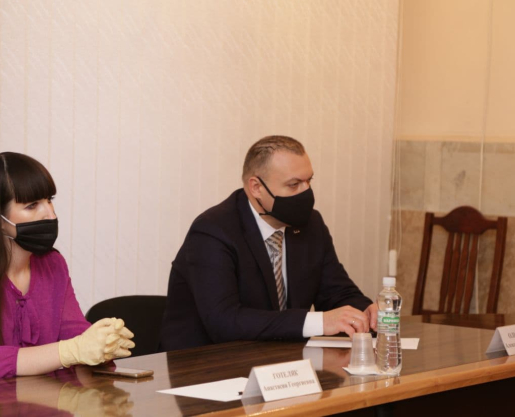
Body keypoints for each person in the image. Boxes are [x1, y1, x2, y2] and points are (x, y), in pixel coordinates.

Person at [0, 152, 134, 391]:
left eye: (49, 200)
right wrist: (70, 351)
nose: (50, 214)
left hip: (26, 403)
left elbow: (76, 336)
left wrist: (104, 344)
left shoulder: (52, 264)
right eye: (32, 206)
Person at [160, 135, 378, 351]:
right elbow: (225, 322)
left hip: (279, 362)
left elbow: (337, 293)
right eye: (294, 184)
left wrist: (366, 312)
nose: (306, 192)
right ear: (256, 187)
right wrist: (320, 321)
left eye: (308, 181)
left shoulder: (311, 225)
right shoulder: (213, 231)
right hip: (204, 363)